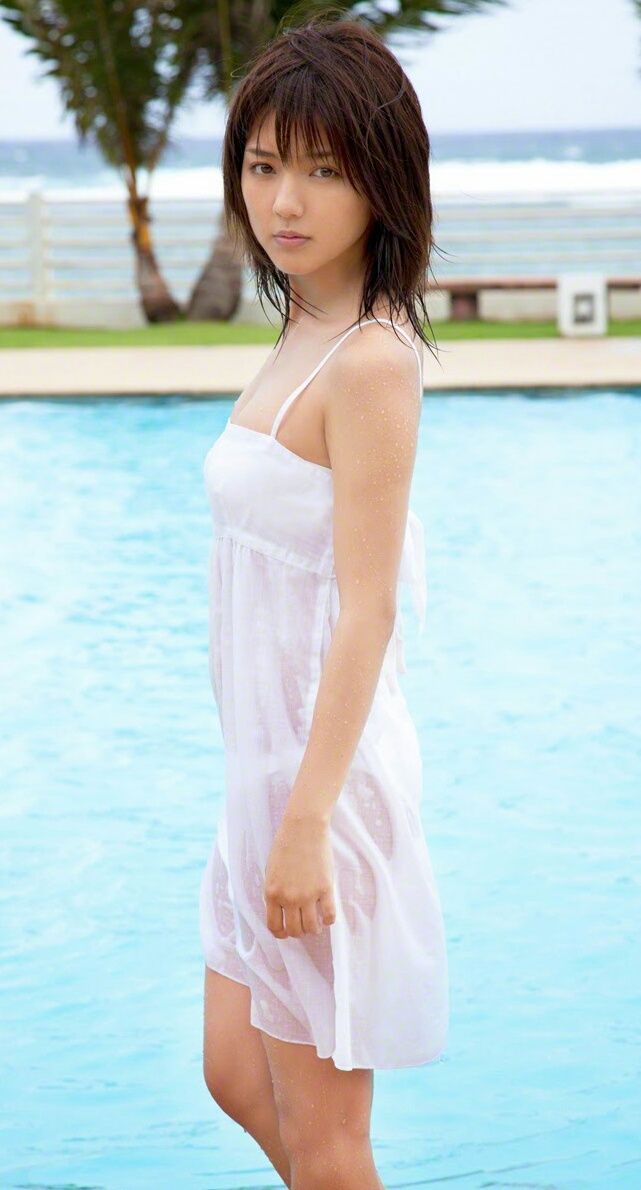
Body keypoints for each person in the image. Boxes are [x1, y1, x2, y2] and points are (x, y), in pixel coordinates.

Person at [199, 12, 449, 1188]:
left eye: (322, 170)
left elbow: (368, 610)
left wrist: (305, 819)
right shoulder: (303, 318)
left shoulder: (370, 360)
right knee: (235, 1074)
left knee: (327, 1137)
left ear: (380, 180)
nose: (284, 200)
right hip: (260, 773)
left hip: (320, 787)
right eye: (263, 166)